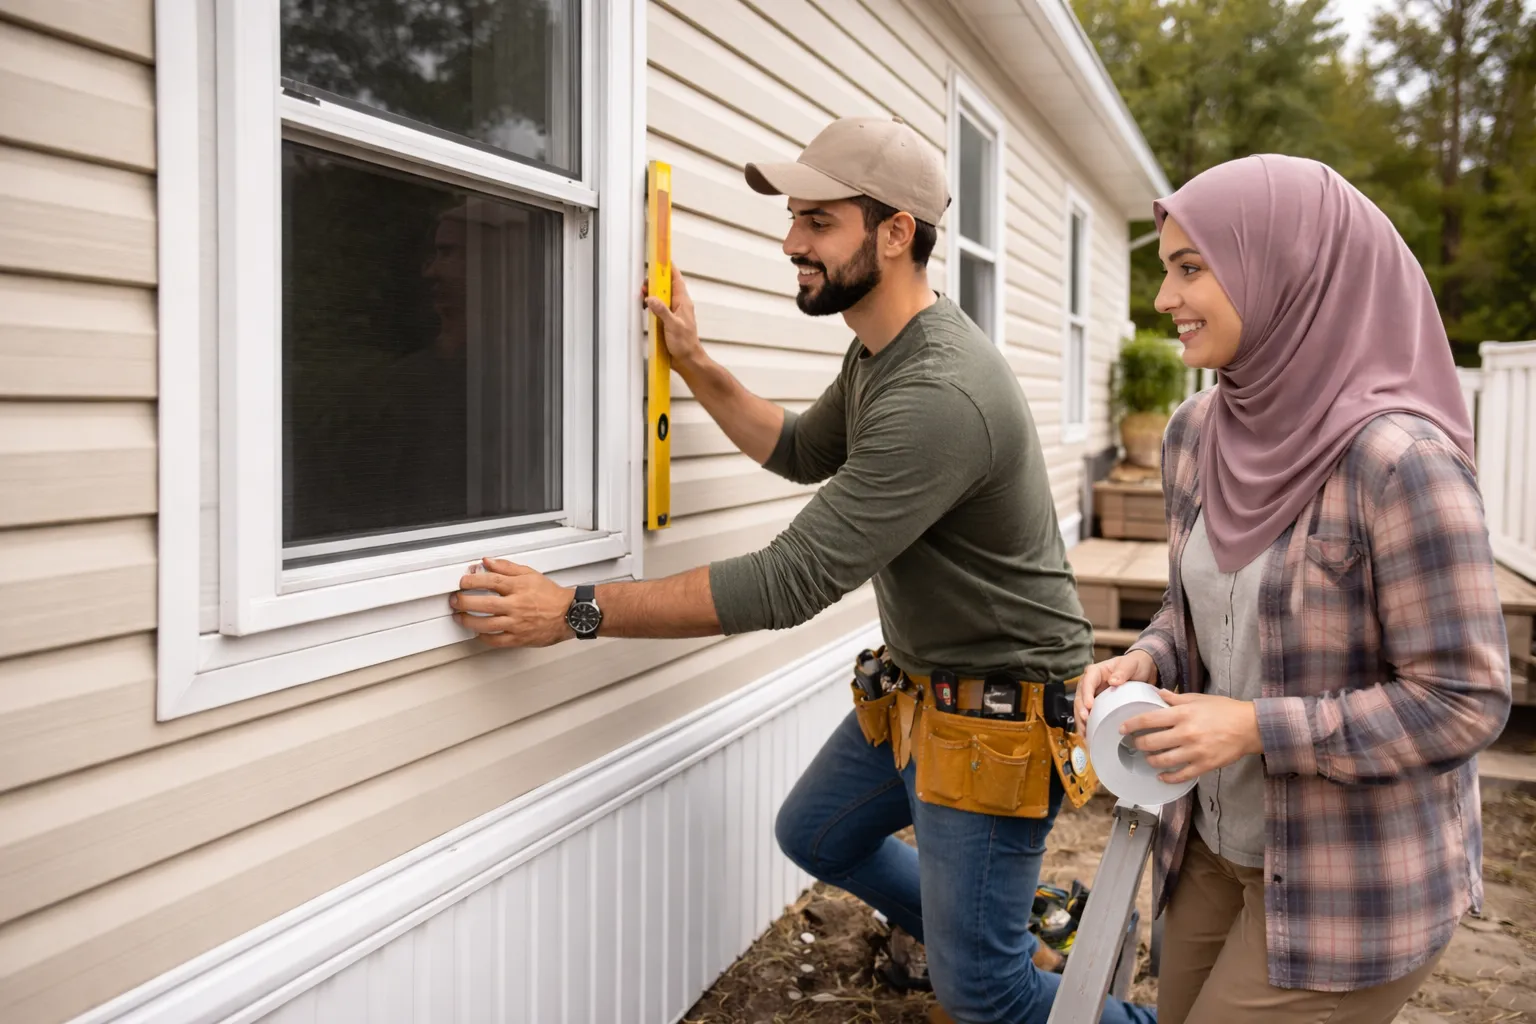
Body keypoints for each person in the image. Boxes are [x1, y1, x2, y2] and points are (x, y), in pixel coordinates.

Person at [449, 116, 1157, 1024]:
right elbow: (798, 448)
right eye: (795, 219)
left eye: (818, 222)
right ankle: (1006, 921)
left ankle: (1045, 976)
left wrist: (573, 611)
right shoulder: (880, 352)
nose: (792, 243)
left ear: (895, 233)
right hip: (923, 693)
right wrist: (695, 362)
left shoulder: (940, 392)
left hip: (998, 720)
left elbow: (785, 584)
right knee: (815, 831)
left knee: (990, 998)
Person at [1075, 154, 1512, 1024]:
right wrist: (1143, 656)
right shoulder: (1197, 432)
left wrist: (1253, 727)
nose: (1164, 299)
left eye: (1192, 268)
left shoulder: (1402, 463)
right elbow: (1195, 607)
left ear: (1287, 272)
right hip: (1206, 843)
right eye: (1167, 268)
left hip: (1347, 886)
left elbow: (1466, 700)